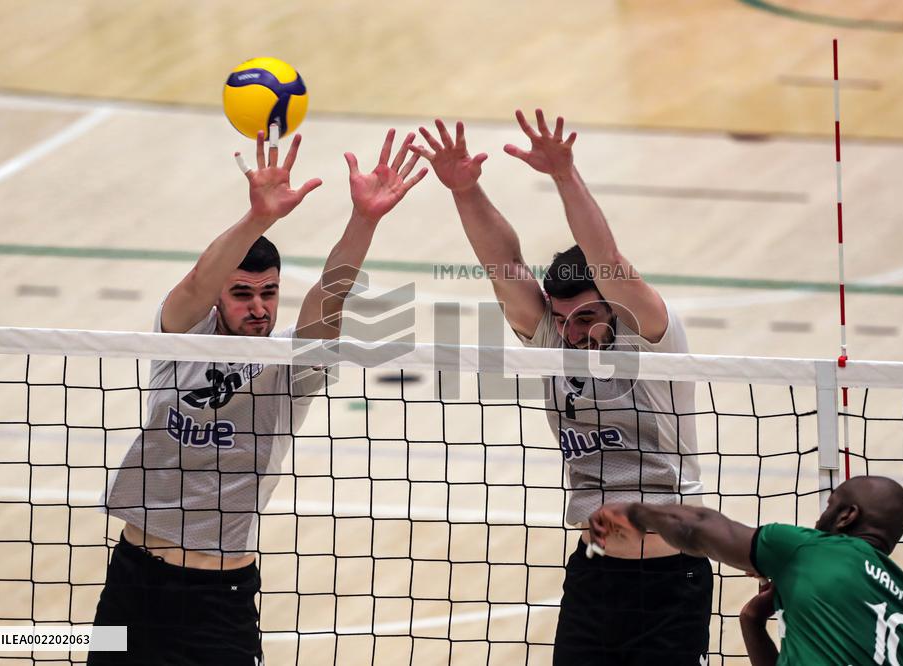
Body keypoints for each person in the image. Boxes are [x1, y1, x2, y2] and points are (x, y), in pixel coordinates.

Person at [89, 127, 427, 665]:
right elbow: (199, 279)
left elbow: (329, 296)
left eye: (269, 292)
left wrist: (365, 218)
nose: (260, 307)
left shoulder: (290, 368)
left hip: (219, 604)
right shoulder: (181, 336)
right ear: (220, 298)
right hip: (132, 585)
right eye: (242, 293)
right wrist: (259, 216)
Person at [412, 110, 710, 665]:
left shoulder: (650, 336)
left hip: (670, 579)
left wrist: (564, 176)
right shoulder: (554, 338)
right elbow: (502, 264)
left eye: (591, 316)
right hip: (594, 574)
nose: (579, 332)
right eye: (567, 319)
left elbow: (610, 261)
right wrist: (465, 189)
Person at [589, 476, 903, 665]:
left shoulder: (813, 551)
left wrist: (635, 514)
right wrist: (753, 622)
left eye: (829, 505)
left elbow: (699, 525)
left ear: (847, 516)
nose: (821, 516)